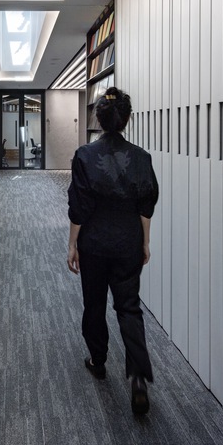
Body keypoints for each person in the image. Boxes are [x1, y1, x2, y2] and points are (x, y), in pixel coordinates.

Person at [67, 86, 159, 416]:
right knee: (129, 307)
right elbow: (146, 205)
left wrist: (72, 243)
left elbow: (79, 206)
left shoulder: (84, 155)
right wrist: (144, 242)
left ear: (99, 118)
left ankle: (98, 360)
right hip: (127, 243)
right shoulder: (142, 158)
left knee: (94, 303)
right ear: (127, 119)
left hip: (94, 243)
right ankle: (138, 377)